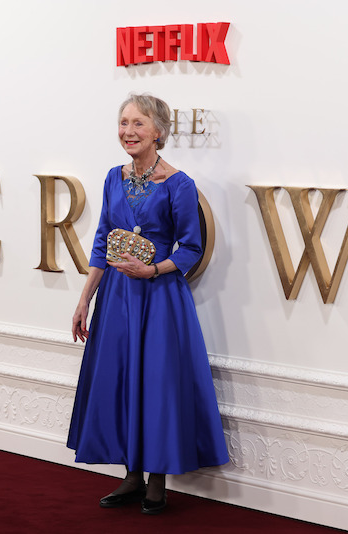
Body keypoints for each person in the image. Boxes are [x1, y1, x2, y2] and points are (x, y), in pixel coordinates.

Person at [67, 94, 229, 515]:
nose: (128, 132)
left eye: (138, 124)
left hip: (159, 298)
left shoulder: (179, 184)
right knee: (121, 378)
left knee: (156, 383)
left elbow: (192, 247)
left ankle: (157, 482)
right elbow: (103, 239)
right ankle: (131, 476)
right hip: (118, 297)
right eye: (123, 123)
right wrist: (85, 299)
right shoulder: (112, 177)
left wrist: (154, 271)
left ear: (159, 131)